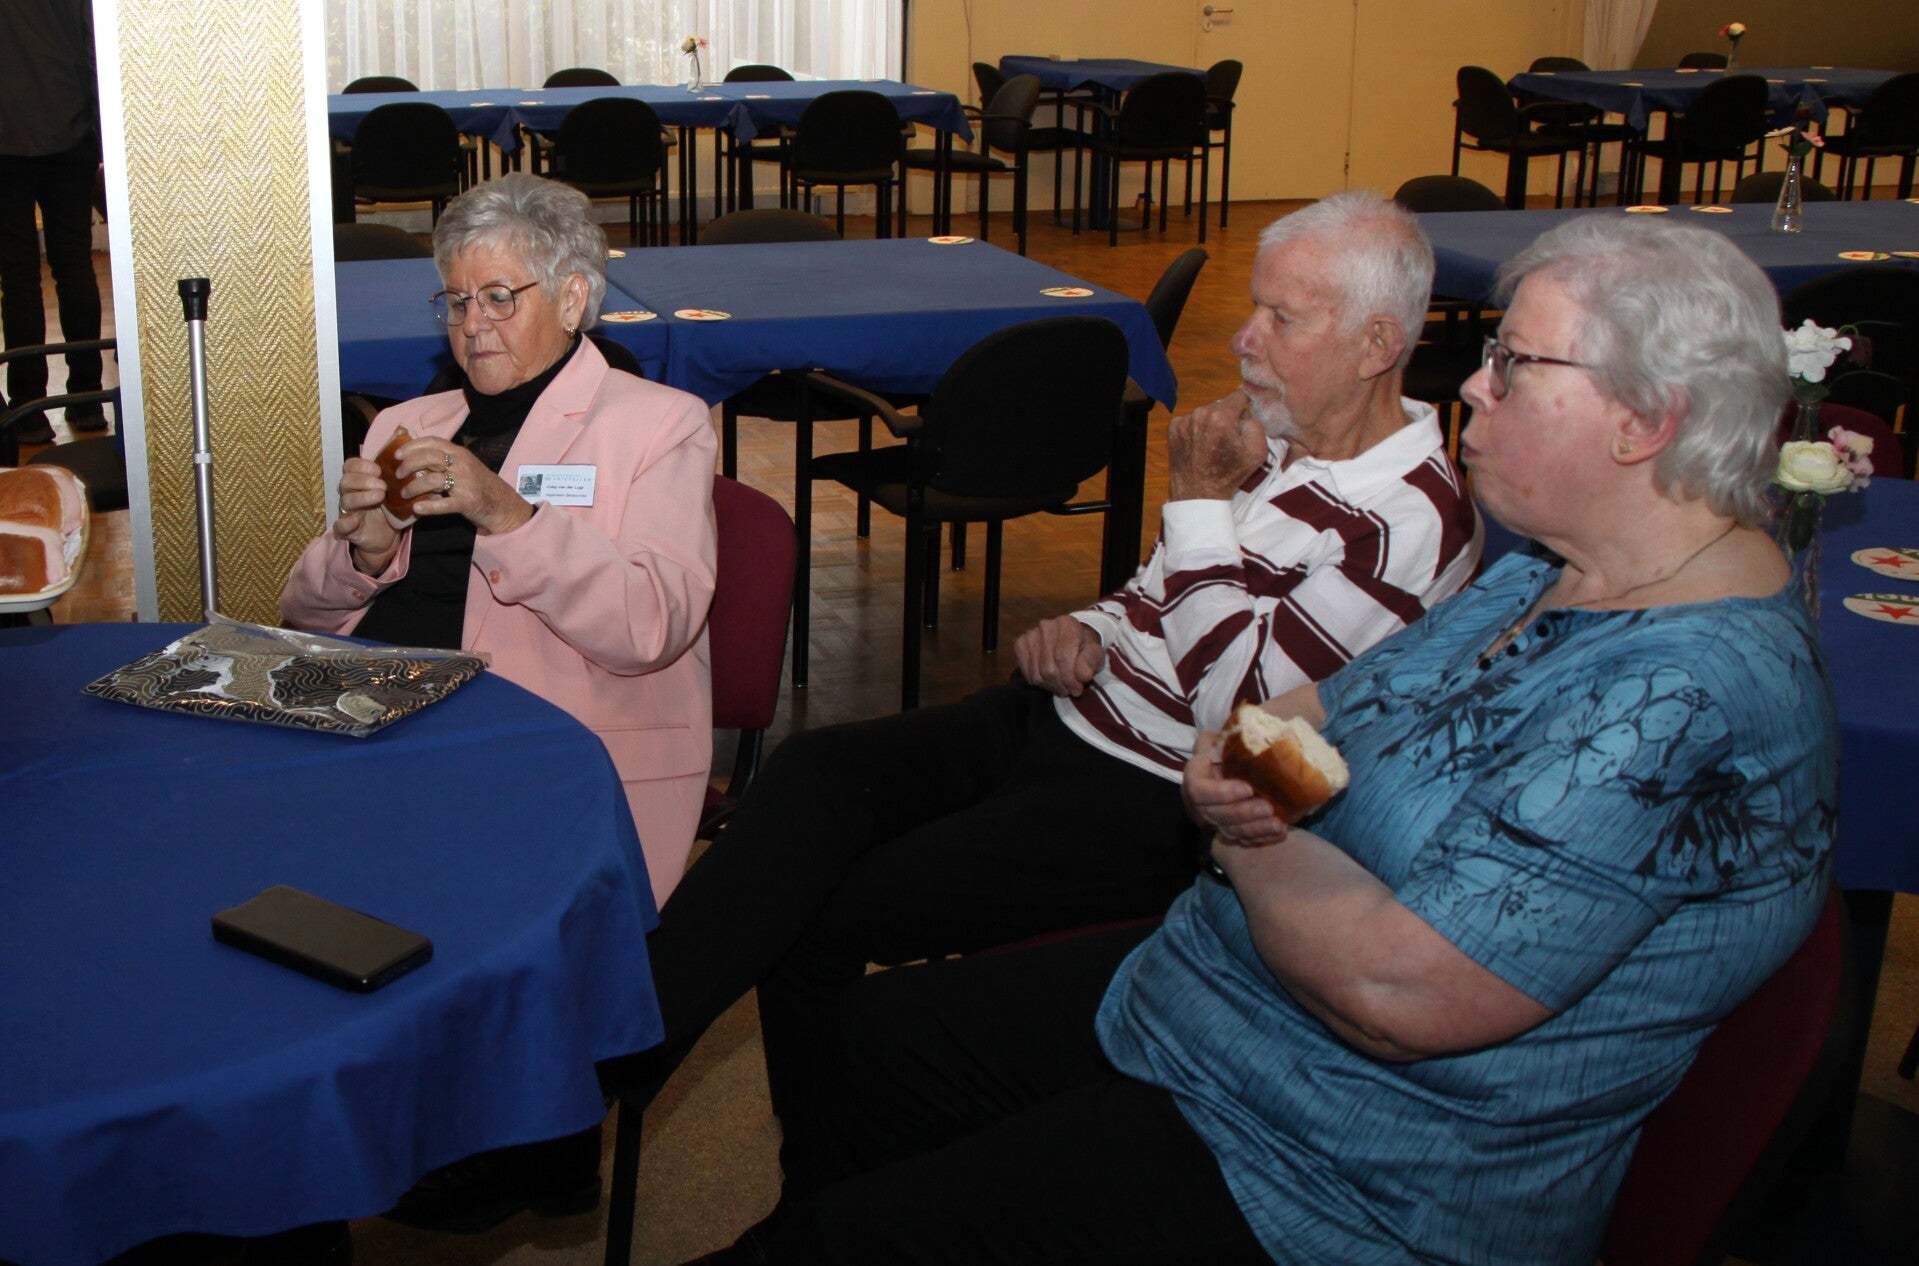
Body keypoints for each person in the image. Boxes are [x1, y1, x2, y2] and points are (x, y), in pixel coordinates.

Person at [702, 213, 1837, 1264]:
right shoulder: (1546, 573)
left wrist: (1239, 824)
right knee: (868, 1047)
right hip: (1220, 994)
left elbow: (1394, 994)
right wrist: (1245, 773)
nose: (1470, 386)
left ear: (1644, 422)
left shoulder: (1683, 699)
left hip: (1341, 1167)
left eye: (1512, 365)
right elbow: (1307, 714)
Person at [627, 189, 1481, 1193]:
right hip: (1068, 715)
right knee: (814, 775)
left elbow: (1244, 715)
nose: (1244, 338)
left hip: (1155, 800)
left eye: (1280, 318)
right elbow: (1162, 596)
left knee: (824, 915)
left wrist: (1197, 505)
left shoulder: (1407, 524)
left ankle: (824, 1189)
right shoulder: (1292, 436)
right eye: (1254, 308)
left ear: (1377, 344)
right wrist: (1093, 626)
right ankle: (612, 1062)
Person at [282, 173, 716, 895]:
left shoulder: (661, 425)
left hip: (551, 755)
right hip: (387, 734)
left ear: (572, 299)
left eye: (498, 297)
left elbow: (651, 626)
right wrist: (367, 552)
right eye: (457, 302)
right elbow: (303, 613)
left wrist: (507, 515)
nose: (472, 324)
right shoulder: (405, 425)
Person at [0, 0, 107, 442]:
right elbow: (93, 44)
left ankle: (28, 410)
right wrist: (101, 130)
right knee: (74, 264)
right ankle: (87, 398)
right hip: (71, 127)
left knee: (19, 276)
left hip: (6, 135)